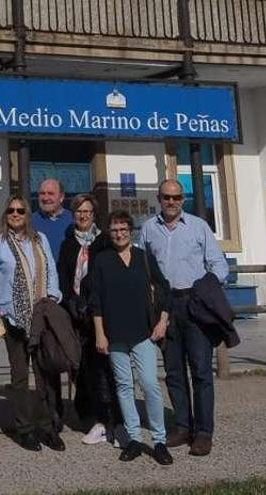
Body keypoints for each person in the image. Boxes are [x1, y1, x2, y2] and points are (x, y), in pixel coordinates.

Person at [139, 179, 229, 456]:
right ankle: (181, 427)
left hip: (194, 303)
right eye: (166, 197)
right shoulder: (148, 229)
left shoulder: (199, 227)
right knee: (174, 372)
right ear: (159, 198)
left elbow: (219, 265)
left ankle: (203, 432)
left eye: (176, 197)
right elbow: (141, 266)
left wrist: (206, 291)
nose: (171, 202)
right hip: (165, 308)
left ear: (183, 199)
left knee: (201, 371)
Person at [90, 210, 174, 465]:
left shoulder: (143, 258)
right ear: (109, 232)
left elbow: (164, 289)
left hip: (143, 334)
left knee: (149, 384)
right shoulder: (102, 260)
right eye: (114, 229)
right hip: (114, 335)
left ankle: (159, 441)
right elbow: (96, 301)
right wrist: (100, 335)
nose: (119, 233)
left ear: (131, 230)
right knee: (124, 387)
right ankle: (134, 439)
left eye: (123, 228)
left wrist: (162, 321)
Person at [0, 196, 64, 452]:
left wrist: (53, 297)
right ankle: (24, 429)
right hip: (13, 318)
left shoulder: (39, 239)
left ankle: (47, 427)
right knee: (20, 377)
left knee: (44, 375)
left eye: (20, 210)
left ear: (27, 214)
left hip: (41, 315)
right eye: (11, 210)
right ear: (5, 214)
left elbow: (50, 270)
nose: (16, 214)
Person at [56, 194, 118, 446]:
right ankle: (90, 418)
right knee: (81, 367)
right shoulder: (68, 243)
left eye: (88, 212)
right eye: (79, 212)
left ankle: (112, 420)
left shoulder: (104, 241)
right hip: (76, 314)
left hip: (100, 313)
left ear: (94, 215)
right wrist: (70, 300)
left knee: (104, 367)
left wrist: (92, 302)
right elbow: (63, 275)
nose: (83, 216)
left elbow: (108, 277)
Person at [31, 179, 74, 264]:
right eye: (42, 193)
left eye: (51, 193)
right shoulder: (29, 221)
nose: (46, 198)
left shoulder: (73, 220)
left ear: (61, 197)